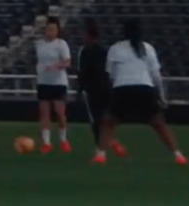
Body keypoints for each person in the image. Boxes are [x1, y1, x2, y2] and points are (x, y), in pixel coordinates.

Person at [93, 20, 187, 165]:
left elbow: (110, 75)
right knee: (158, 124)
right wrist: (162, 96)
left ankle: (100, 155)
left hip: (122, 89)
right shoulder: (147, 48)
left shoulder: (115, 48)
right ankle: (178, 155)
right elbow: (156, 75)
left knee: (108, 122)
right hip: (144, 88)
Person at [76, 20, 126, 157]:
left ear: (87, 35)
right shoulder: (104, 50)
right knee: (105, 118)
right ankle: (110, 142)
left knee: (95, 120)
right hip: (106, 88)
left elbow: (83, 72)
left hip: (92, 90)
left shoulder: (85, 51)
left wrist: (79, 90)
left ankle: (101, 148)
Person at [35, 18, 74, 153]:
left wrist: (56, 66)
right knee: (44, 113)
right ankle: (46, 142)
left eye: (53, 29)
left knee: (60, 113)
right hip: (43, 81)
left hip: (58, 82)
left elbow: (67, 62)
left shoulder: (61, 44)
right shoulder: (39, 44)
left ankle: (63, 139)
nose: (50, 32)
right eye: (48, 29)